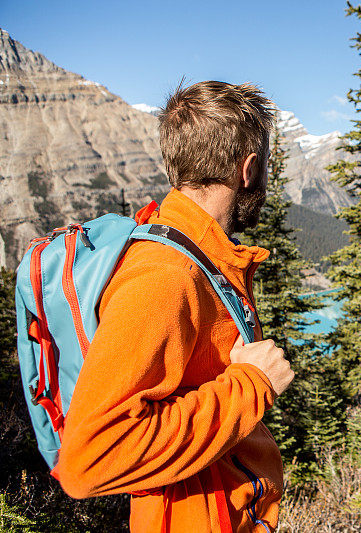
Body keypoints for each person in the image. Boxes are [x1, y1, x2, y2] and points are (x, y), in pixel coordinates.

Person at [56, 81, 295, 533]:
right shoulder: (166, 277)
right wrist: (252, 384)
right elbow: (88, 460)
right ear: (248, 169)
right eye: (265, 165)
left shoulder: (200, 256)